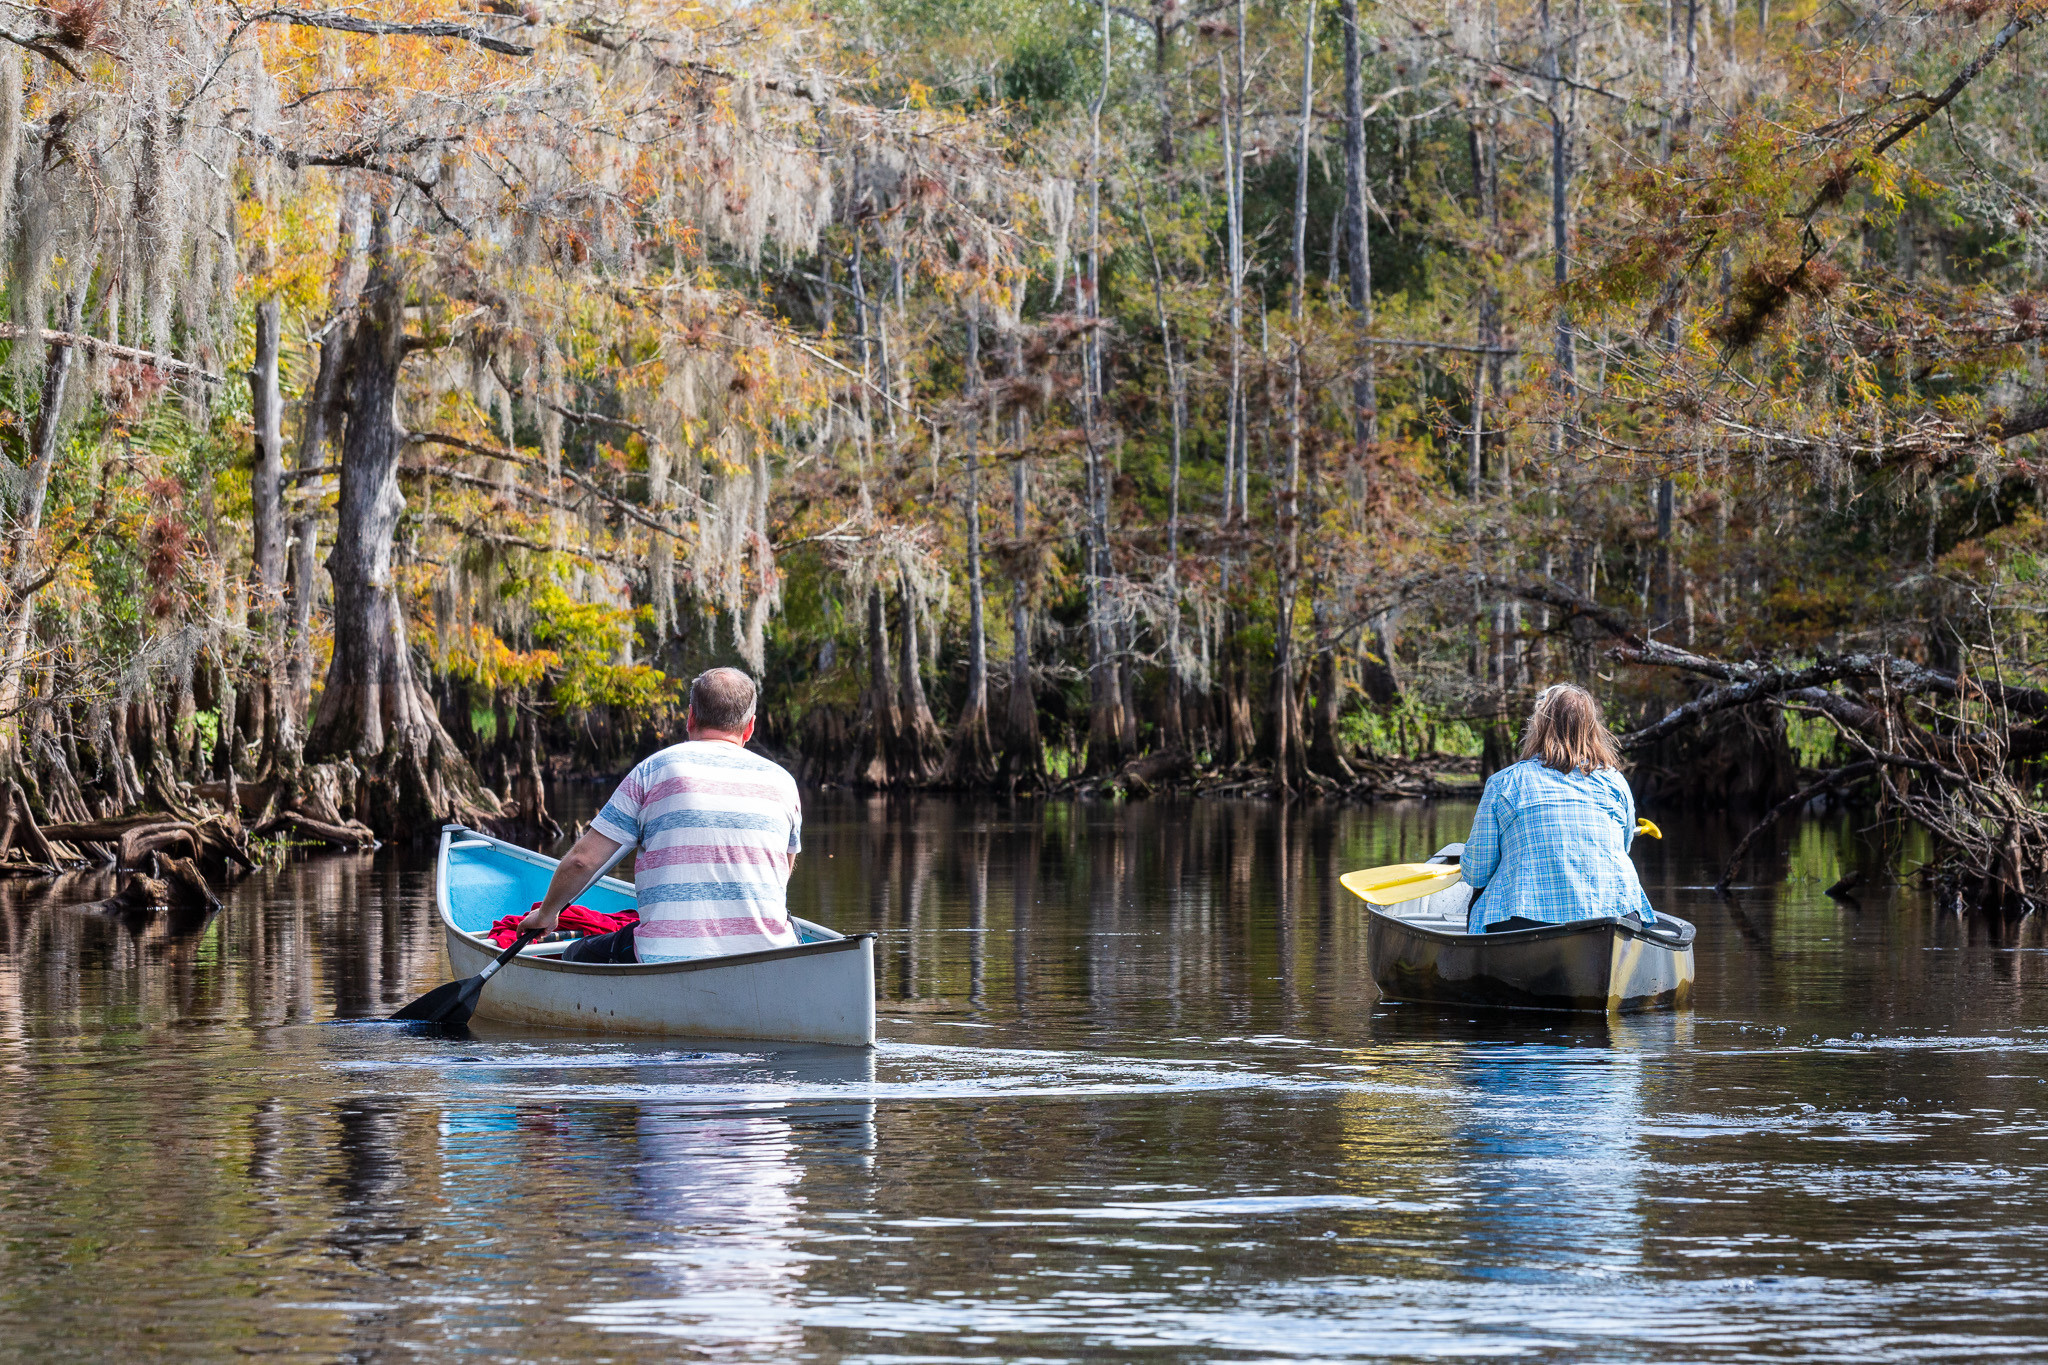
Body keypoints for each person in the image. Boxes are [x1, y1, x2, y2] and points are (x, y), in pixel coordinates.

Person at [516, 667, 803, 963]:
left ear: (690, 717)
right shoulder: (784, 782)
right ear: (750, 727)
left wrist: (546, 914)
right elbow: (781, 872)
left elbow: (582, 861)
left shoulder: (653, 770)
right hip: (772, 954)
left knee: (574, 953)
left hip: (665, 955)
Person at [1460, 682, 1656, 934]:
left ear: (1539, 727)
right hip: (1617, 918)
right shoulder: (1615, 781)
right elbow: (1624, 846)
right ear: (1592, 729)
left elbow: (1476, 873)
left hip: (1526, 921)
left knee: (1481, 892)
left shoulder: (1505, 782)